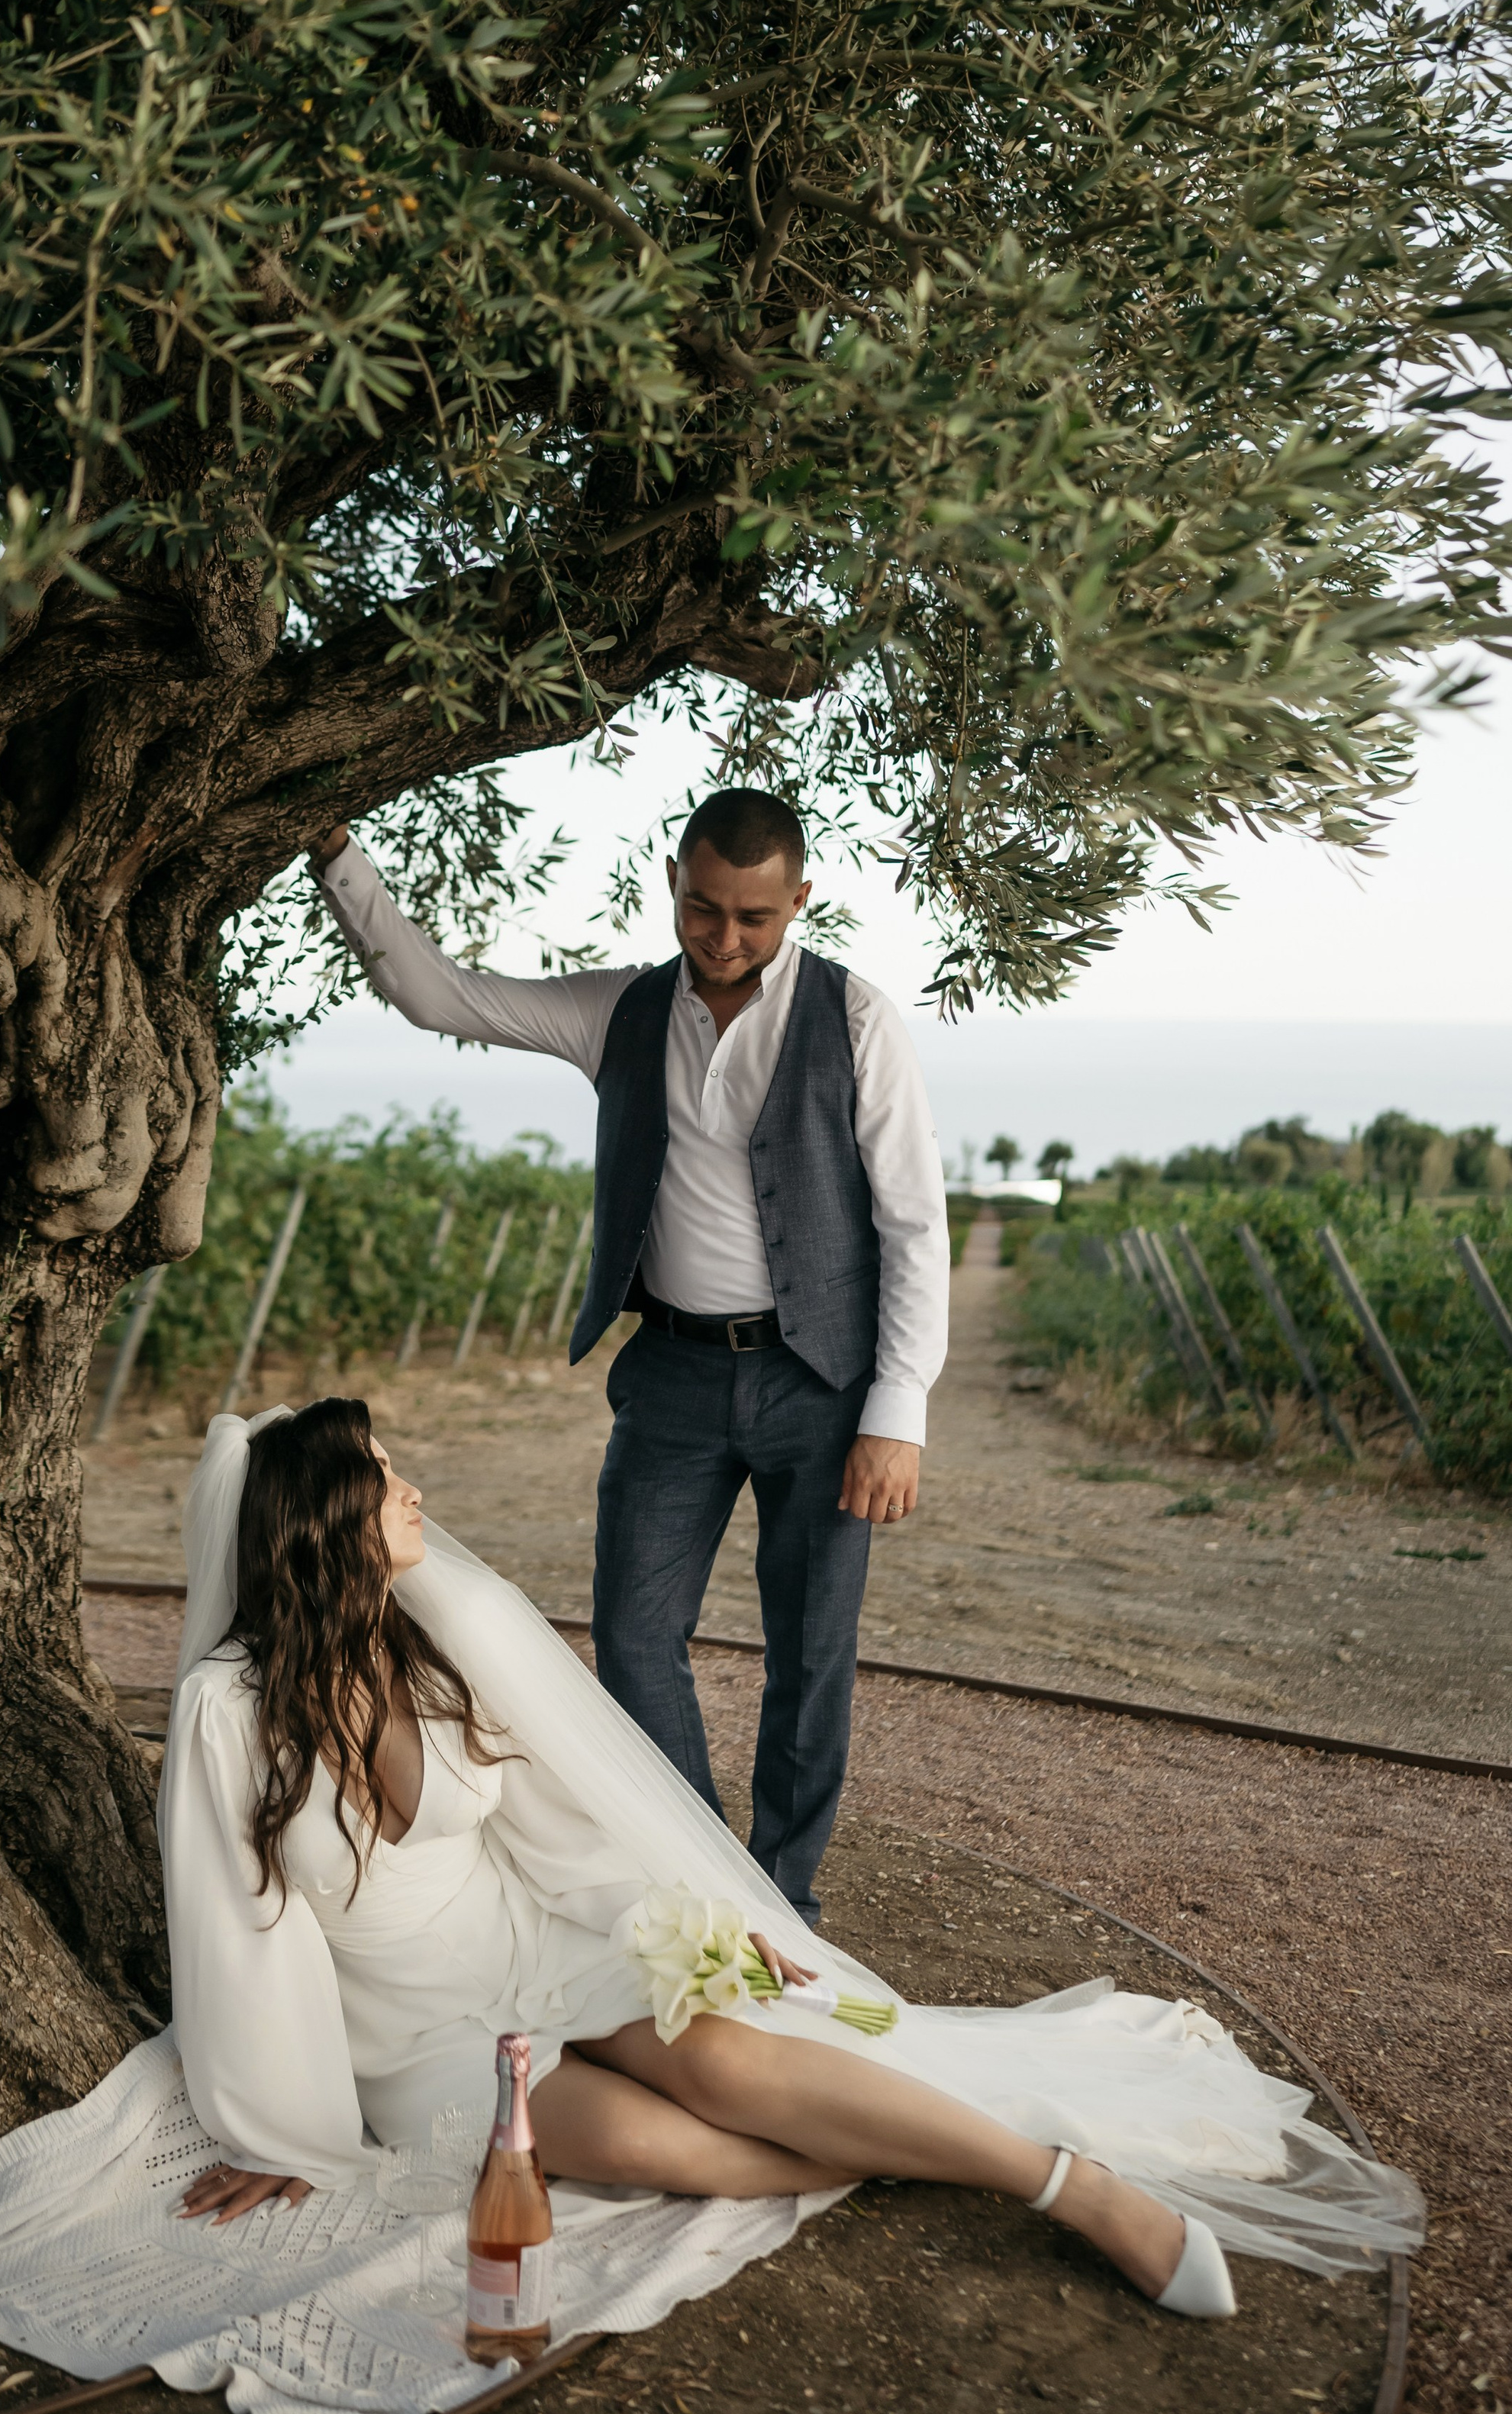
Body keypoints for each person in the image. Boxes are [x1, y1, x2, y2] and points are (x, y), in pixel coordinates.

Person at [150, 1403, 1417, 2312]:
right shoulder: (226, 1712)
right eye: (381, 1472)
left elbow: (558, 1827)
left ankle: (1073, 2189)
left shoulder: (434, 1650)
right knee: (650, 2148)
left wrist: (684, 1912)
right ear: (324, 1522)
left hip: (540, 1941)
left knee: (728, 2058)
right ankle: (936, 2155)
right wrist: (288, 2128)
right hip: (413, 2032)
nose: (412, 1488)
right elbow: (241, 1928)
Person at [310, 788, 949, 1927]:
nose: (726, 938)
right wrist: (331, 847)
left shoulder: (857, 1020)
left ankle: (786, 1902)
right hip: (672, 1379)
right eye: (705, 909)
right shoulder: (619, 1011)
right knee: (635, 1637)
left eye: (756, 917)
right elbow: (432, 994)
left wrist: (896, 1412)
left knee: (812, 1656)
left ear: (798, 901)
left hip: (825, 1388)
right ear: (675, 884)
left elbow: (914, 1223)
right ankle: (707, 1886)